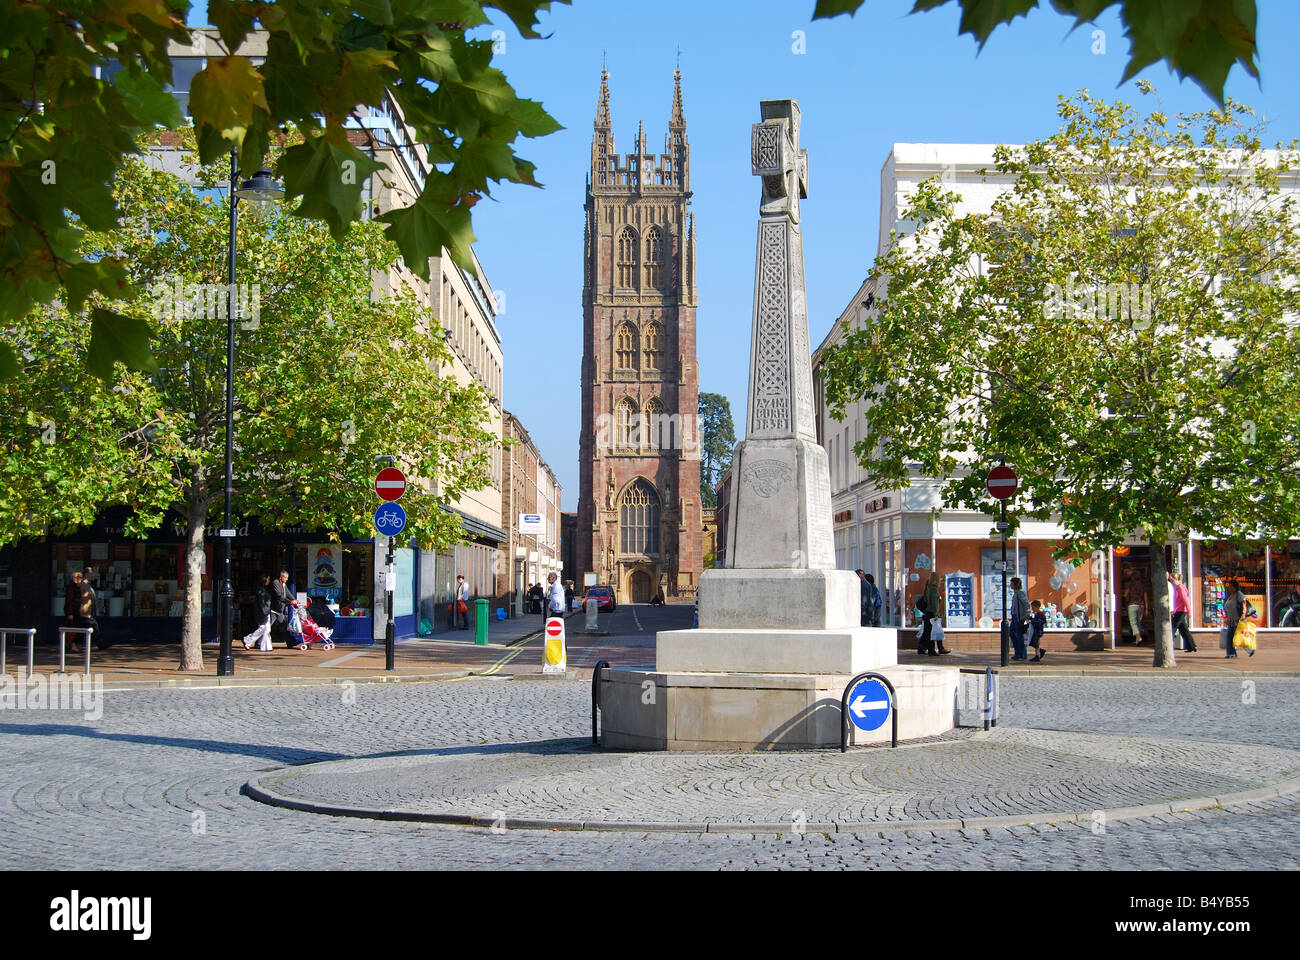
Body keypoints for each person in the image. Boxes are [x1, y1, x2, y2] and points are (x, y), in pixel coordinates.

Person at [242, 574, 275, 651]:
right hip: (263, 613)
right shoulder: (261, 591)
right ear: (264, 580)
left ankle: (265, 647)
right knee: (263, 628)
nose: (269, 581)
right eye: (268, 579)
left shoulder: (262, 590)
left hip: (264, 612)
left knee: (267, 629)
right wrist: (266, 612)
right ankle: (247, 640)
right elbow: (262, 603)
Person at [1222, 578, 1254, 658]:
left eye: (1230, 586)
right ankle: (1231, 653)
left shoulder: (1239, 594)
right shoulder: (1230, 596)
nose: (1229, 588)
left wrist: (1243, 615)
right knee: (1230, 637)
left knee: (1239, 636)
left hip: (1238, 619)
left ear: (1235, 587)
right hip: (1231, 620)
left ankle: (1250, 649)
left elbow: (1244, 604)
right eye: (1229, 586)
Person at [1169, 572, 1197, 652]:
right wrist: (1174, 610)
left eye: (1172, 580)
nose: (1172, 582)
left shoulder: (1181, 588)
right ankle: (1192, 646)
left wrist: (1189, 611)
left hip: (1181, 611)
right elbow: (1177, 601)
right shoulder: (1177, 588)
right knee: (1184, 630)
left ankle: (1168, 645)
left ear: (1177, 579)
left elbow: (1185, 601)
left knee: (1173, 627)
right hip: (1178, 610)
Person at [1009, 576, 1031, 661]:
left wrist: (1027, 613)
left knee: (1019, 635)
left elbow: (1026, 604)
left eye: (1011, 583)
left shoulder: (1020, 593)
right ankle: (1017, 652)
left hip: (1019, 617)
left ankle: (1022, 654)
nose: (1010, 585)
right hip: (1014, 616)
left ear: (1015, 584)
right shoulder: (1015, 593)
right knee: (1012, 632)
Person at [1123, 570, 1147, 643]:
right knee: (1138, 622)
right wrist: (1146, 608)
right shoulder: (1143, 585)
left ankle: (1138, 637)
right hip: (1141, 605)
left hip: (1132, 604)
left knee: (1133, 622)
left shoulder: (1130, 585)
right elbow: (1145, 597)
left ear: (1133, 577)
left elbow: (1125, 595)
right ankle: (1137, 639)